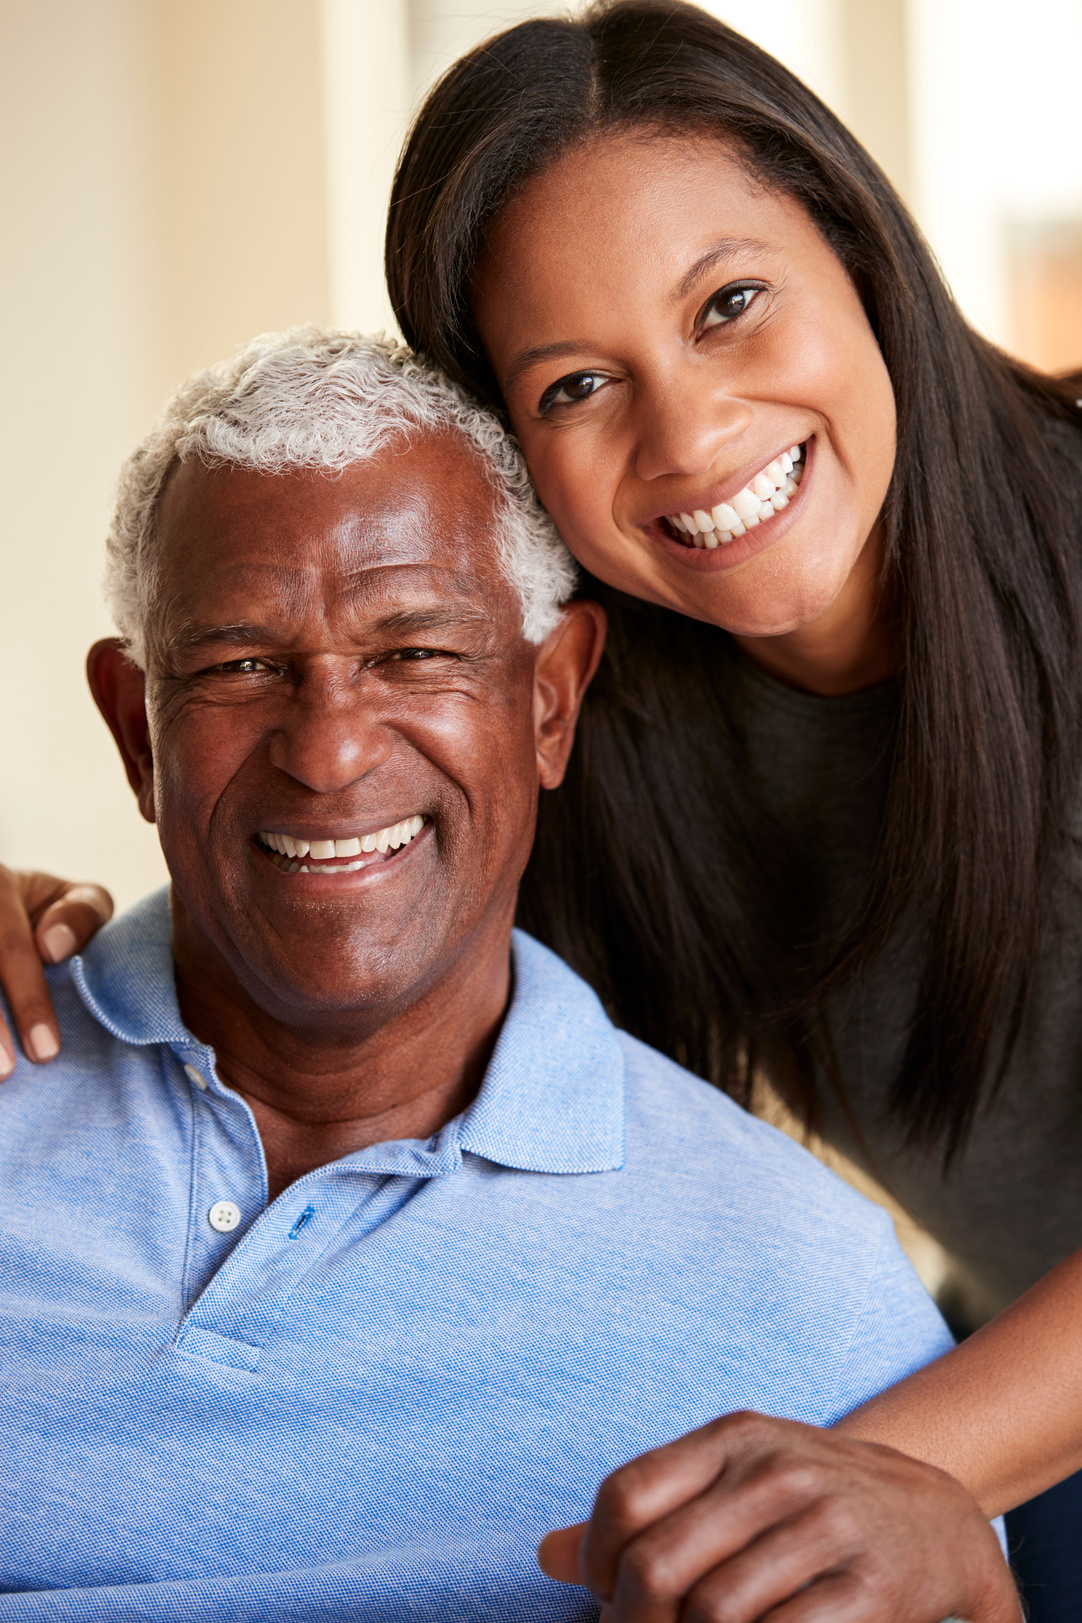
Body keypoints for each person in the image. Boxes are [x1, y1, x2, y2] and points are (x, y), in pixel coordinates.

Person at [1, 0, 1079, 1612]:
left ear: (860, 250)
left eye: (730, 304)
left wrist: (840, 1474)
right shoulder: (618, 717)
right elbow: (326, 830)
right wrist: (47, 930)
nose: (690, 431)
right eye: (577, 383)